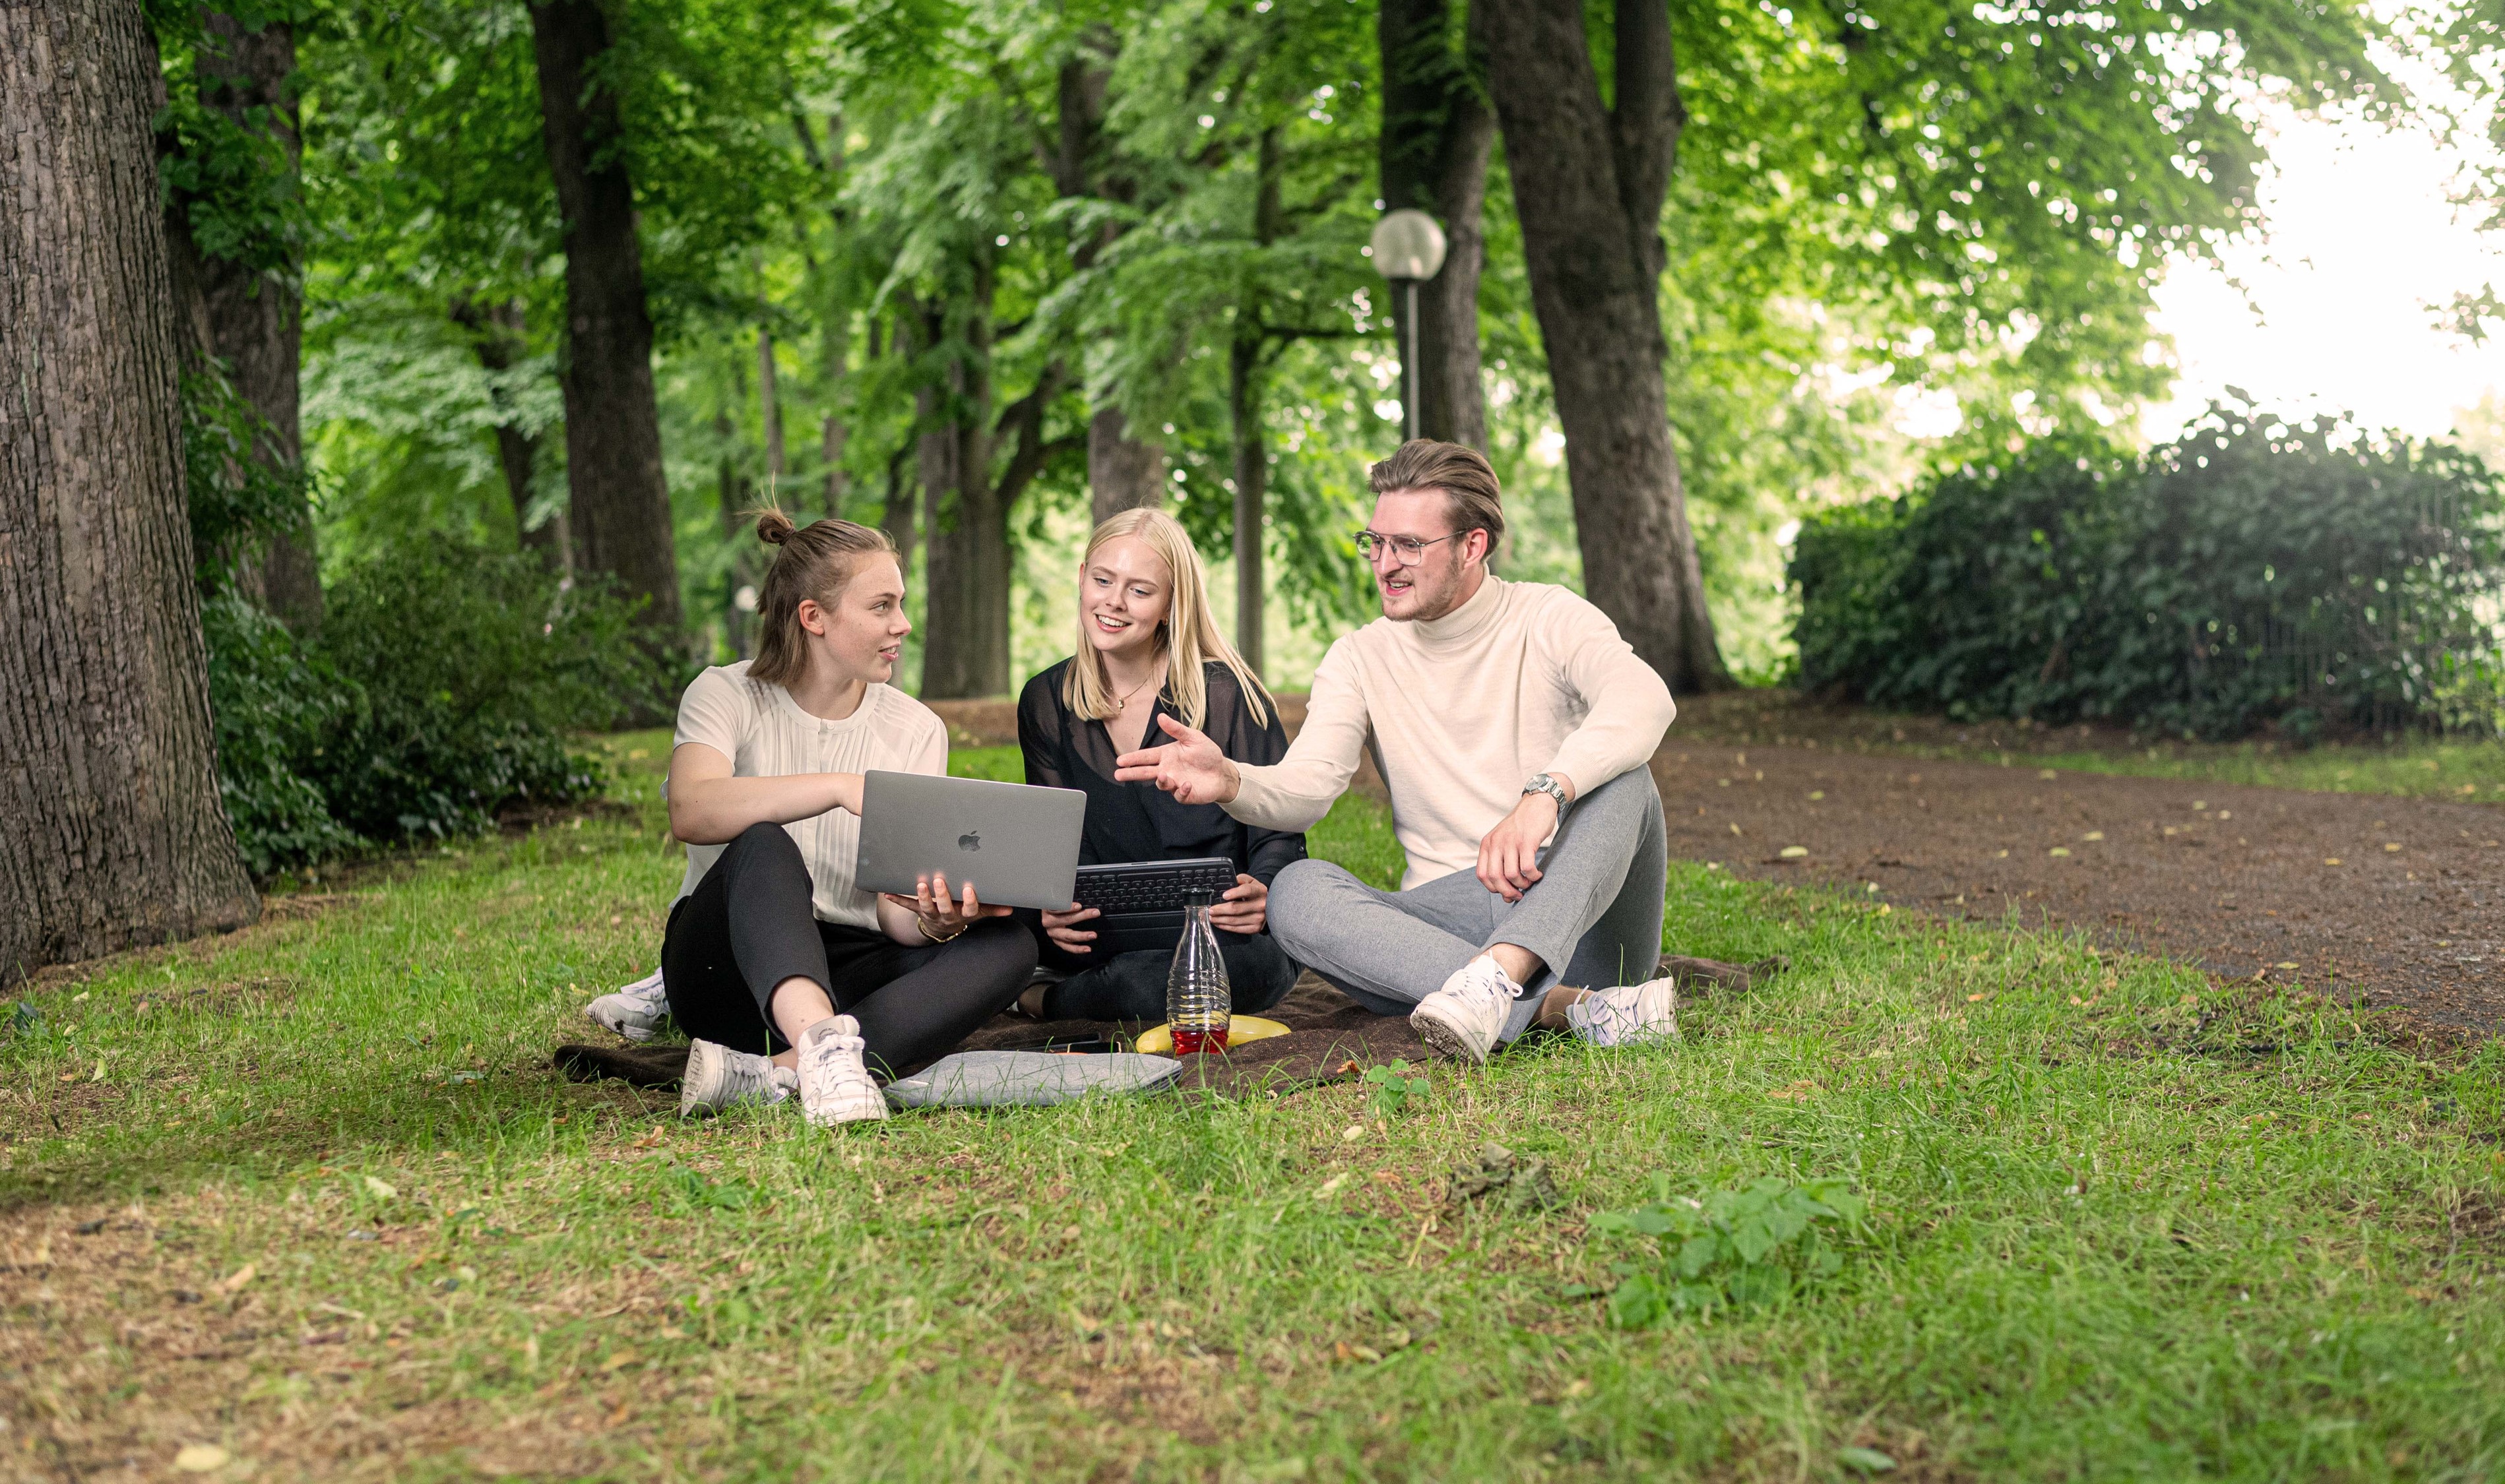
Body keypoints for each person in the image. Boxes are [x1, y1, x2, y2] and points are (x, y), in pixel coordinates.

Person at [1115, 439, 1680, 1063]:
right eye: (1375, 542)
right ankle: (1564, 1008)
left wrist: (1545, 794)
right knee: (1296, 891)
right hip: (1443, 930)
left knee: (1627, 778)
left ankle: (1501, 981)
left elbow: (1644, 699)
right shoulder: (1358, 658)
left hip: (1575, 913)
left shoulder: (1548, 616)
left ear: (1472, 546)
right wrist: (1231, 780)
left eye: (1408, 545)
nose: (1385, 564)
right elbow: (1308, 787)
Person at [659, 511, 1037, 1125]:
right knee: (764, 843)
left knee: (1010, 945)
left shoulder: (916, 729)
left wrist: (934, 920)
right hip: (724, 970)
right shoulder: (724, 693)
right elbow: (691, 810)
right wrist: (837, 787)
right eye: (882, 606)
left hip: (851, 964)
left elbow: (893, 912)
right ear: (814, 617)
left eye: (901, 604)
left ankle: (781, 1073)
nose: (902, 624)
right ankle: (825, 1052)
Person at [1015, 509, 1304, 1022]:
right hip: (1104, 927)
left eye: (1140, 591)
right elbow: (1053, 841)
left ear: (1171, 605)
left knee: (1168, 979)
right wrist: (1051, 905)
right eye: (1103, 580)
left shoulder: (1229, 695)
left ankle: (1046, 998)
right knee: (993, 916)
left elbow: (1280, 832)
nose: (1114, 602)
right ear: (1081, 578)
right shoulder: (1045, 700)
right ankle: (1085, 980)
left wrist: (1264, 890)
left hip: (1221, 934)